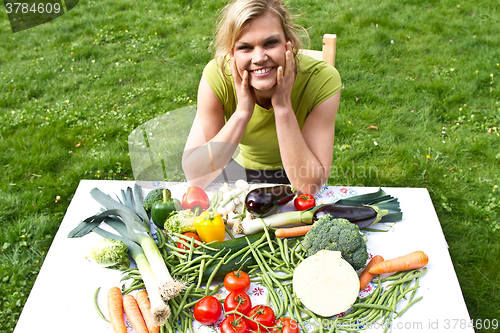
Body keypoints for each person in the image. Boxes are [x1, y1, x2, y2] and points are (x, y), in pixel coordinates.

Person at [182, 0, 341, 195]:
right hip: (234, 172)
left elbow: (310, 186)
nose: (259, 58)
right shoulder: (218, 77)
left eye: (270, 43)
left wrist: (283, 107)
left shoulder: (321, 80)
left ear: (288, 44)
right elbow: (195, 176)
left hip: (295, 174)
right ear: (232, 54)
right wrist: (242, 112)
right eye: (245, 47)